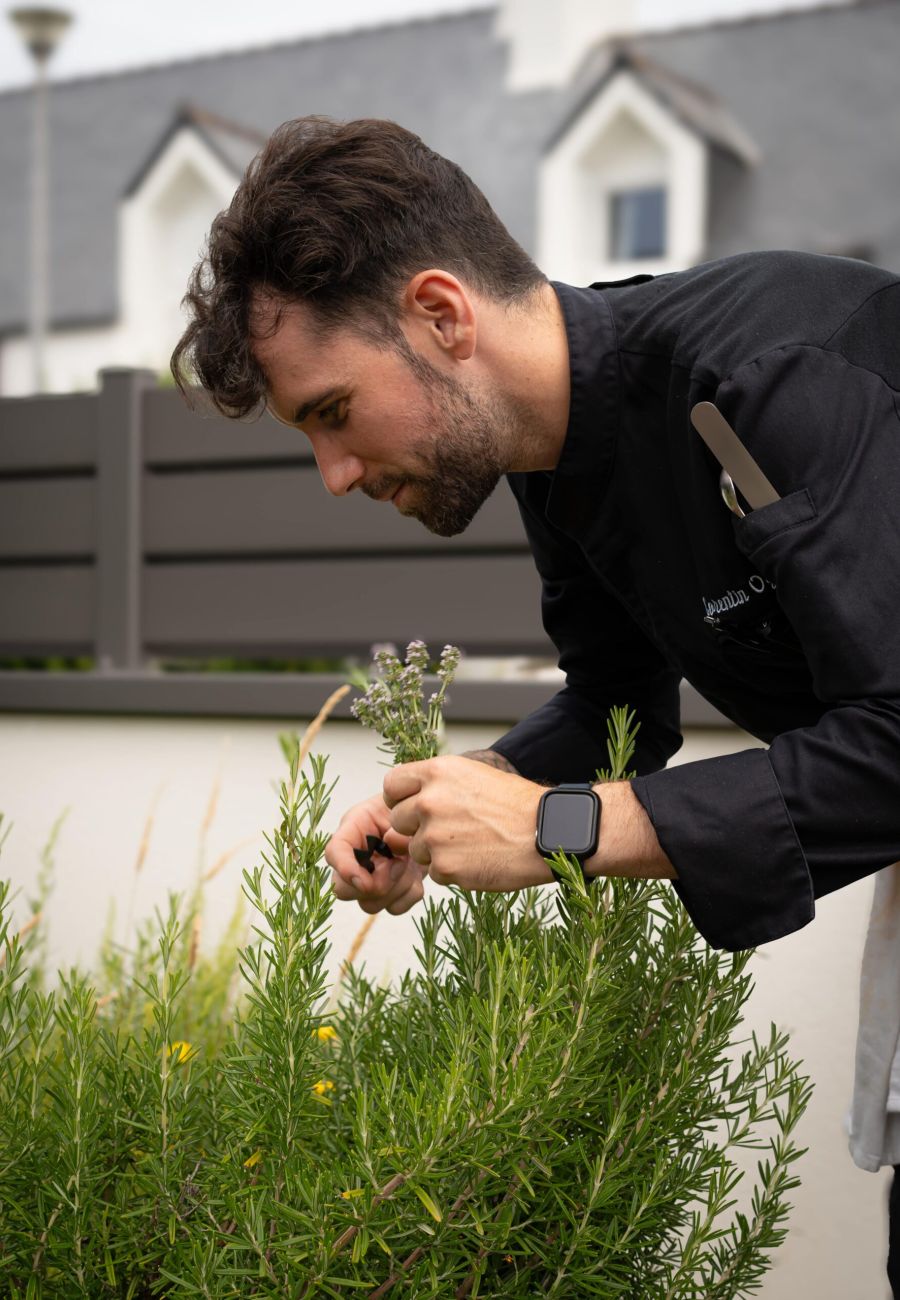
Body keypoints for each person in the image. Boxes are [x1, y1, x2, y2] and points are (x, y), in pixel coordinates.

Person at [172, 115, 900, 1289]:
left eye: (332, 412)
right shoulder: (556, 459)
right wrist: (468, 794)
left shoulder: (781, 371)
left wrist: (559, 828)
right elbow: (621, 701)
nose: (337, 475)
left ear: (443, 317)